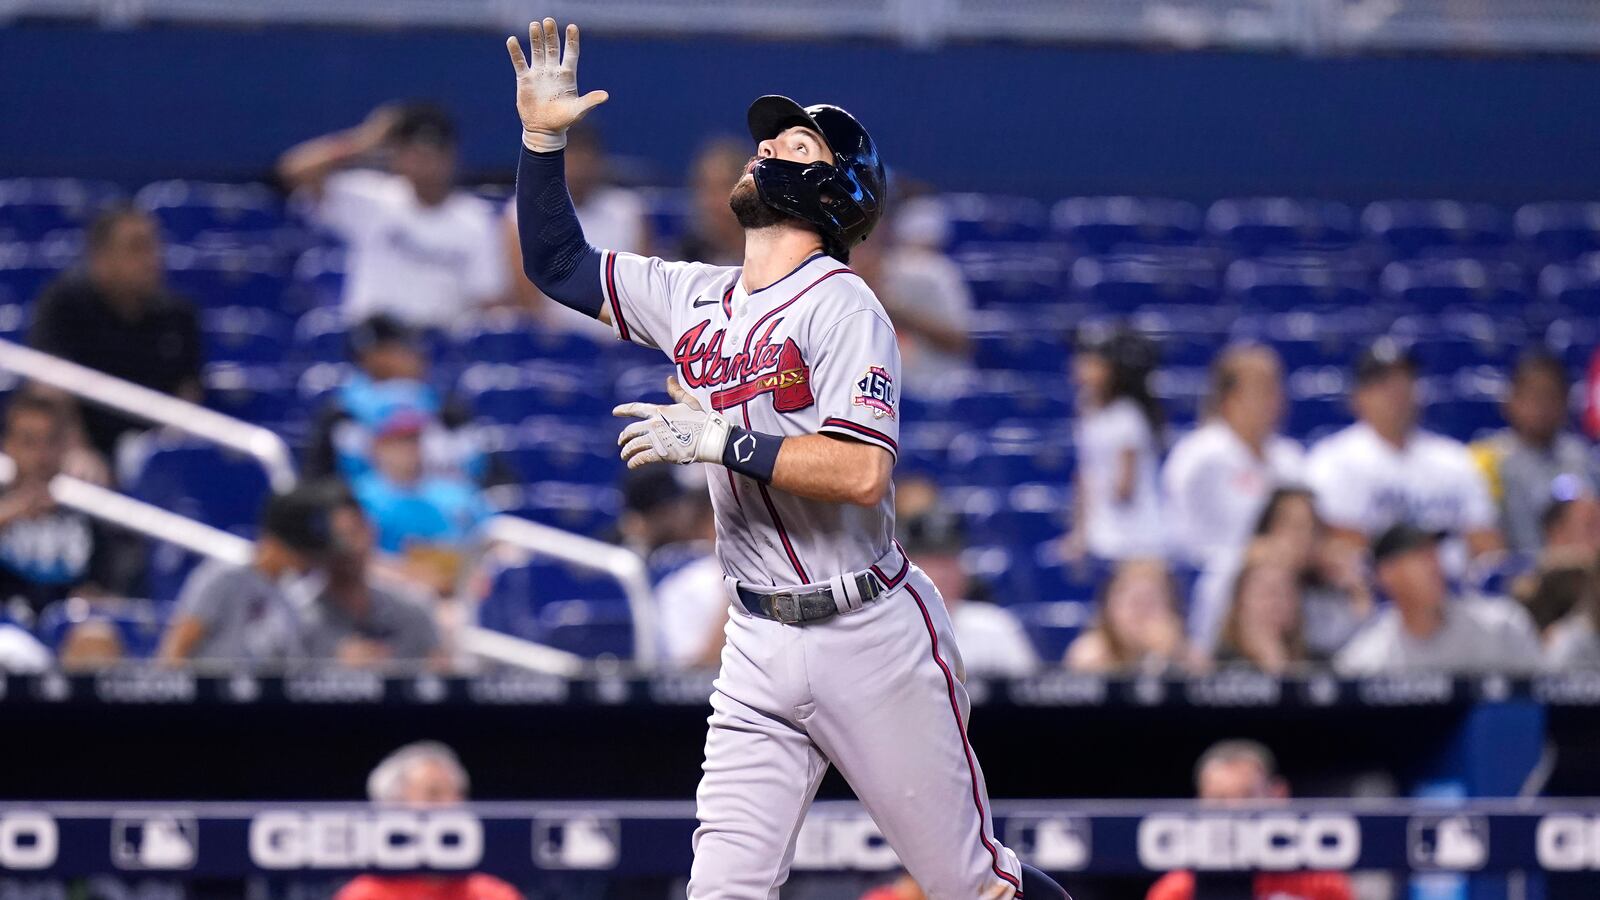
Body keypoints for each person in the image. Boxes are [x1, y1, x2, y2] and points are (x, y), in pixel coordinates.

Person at [505, 20, 1069, 898]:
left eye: (794, 141)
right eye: (769, 134)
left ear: (831, 190)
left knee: (970, 886)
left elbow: (860, 472)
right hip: (756, 636)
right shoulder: (695, 294)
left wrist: (720, 438)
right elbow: (557, 262)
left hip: (867, 629)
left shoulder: (846, 306)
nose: (764, 143)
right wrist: (544, 142)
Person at [278, 103, 507, 328]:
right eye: (414, 153)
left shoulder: (475, 219)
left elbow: (488, 297)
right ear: (399, 156)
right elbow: (295, 170)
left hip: (439, 347)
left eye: (434, 154)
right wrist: (362, 141)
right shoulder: (373, 198)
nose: (425, 164)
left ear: (452, 157)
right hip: (371, 341)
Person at [1305, 339, 1503, 571]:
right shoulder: (1332, 460)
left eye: (1405, 380)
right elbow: (1335, 542)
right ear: (1358, 397)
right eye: (1383, 383)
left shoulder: (1455, 459)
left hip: (1454, 590)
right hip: (1369, 594)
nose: (1397, 392)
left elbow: (1486, 540)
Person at [28, 206, 203, 461]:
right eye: (137, 248)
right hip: (81, 454)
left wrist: (166, 452)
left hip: (151, 451)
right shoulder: (64, 304)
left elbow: (188, 390)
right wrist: (77, 451)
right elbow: (49, 385)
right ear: (101, 258)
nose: (152, 259)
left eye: (154, 246)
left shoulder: (179, 314)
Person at [1146, 740, 1353, 900]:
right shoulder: (1177, 890)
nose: (1233, 810)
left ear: (1278, 795)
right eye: (1219, 800)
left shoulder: (1321, 881)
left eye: (1247, 797)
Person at [157, 484, 336, 666]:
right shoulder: (225, 577)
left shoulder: (292, 597)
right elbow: (173, 654)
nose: (306, 559)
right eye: (299, 550)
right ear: (274, 540)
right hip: (210, 692)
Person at [1162, 343, 1303, 568]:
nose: (1274, 400)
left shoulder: (1289, 457)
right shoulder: (1200, 456)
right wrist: (1248, 556)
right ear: (1229, 398)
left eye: (1277, 388)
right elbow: (1187, 538)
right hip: (1212, 577)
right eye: (1262, 389)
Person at [1334, 524, 1542, 674]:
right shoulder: (1368, 661)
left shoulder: (1502, 625)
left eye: (1434, 553)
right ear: (1387, 574)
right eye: (1420, 556)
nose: (1434, 564)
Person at [0, 394, 137, 621]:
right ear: (8, 445)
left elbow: (111, 585)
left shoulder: (88, 508)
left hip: (71, 629)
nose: (41, 455)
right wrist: (11, 513)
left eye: (51, 441)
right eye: (29, 442)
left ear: (65, 447)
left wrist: (97, 597)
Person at [503, 124, 648, 336]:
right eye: (571, 157)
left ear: (599, 161)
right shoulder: (522, 211)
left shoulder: (628, 212)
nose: (579, 168)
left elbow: (643, 288)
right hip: (549, 339)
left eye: (585, 157)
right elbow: (525, 292)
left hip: (616, 337)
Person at [336, 741, 523, 900]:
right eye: (433, 795)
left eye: (458, 795)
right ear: (395, 807)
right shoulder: (364, 895)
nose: (451, 805)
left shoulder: (493, 895)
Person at [298, 489, 445, 670]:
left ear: (371, 532)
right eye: (336, 539)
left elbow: (442, 678)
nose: (347, 549)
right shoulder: (298, 617)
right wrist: (334, 668)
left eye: (353, 534)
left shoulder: (413, 611)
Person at [1471, 353, 1598, 555]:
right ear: (1510, 401)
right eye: (1532, 396)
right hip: (1518, 574)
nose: (1542, 407)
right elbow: (1481, 533)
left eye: (1550, 396)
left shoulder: (1583, 457)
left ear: (1565, 402)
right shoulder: (1484, 459)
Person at [849, 196, 974, 394]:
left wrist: (896, 311)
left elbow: (960, 342)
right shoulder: (830, 281)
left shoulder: (931, 272)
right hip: (860, 400)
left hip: (937, 395)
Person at [1064, 328, 1165, 562]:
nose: (1081, 367)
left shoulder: (1128, 417)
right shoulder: (1087, 408)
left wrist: (1098, 488)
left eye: (1091, 362)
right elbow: (1085, 474)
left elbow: (1124, 488)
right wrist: (1080, 532)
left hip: (1134, 534)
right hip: (1101, 531)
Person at [906, 508, 1039, 678]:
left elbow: (1029, 693)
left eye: (949, 561)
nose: (943, 574)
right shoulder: (888, 627)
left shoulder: (993, 626)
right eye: (933, 561)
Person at [1064, 559, 1190, 674]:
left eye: (1151, 603)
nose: (1140, 615)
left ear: (1171, 608)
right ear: (1109, 607)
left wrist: (1167, 656)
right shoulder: (1089, 655)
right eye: (1134, 603)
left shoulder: (1184, 655)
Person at [1214, 555, 1308, 674]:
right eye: (1267, 593)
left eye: (1286, 593)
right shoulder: (1214, 664)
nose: (1277, 603)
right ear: (1239, 602)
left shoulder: (1318, 663)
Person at [671, 137, 751, 266]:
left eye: (724, 186)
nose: (713, 202)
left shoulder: (771, 250)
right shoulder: (689, 253)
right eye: (705, 188)